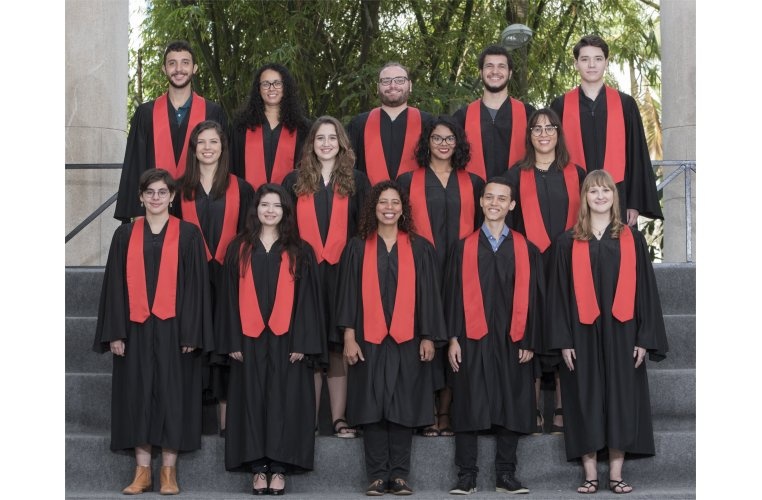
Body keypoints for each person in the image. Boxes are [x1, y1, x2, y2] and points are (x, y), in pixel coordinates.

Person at [546, 170, 668, 494]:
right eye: (593, 191)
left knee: (621, 397)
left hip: (624, 330)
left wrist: (644, 337)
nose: (600, 196)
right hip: (580, 331)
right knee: (583, 397)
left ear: (615, 196)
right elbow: (558, 295)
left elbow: (645, 291)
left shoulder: (632, 239)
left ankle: (615, 472)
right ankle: (589, 473)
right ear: (584, 197)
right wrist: (563, 340)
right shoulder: (567, 242)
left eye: (606, 191)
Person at [93, 168, 213, 495]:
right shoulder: (124, 235)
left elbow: (196, 288)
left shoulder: (188, 235)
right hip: (135, 328)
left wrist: (192, 333)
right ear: (140, 197)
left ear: (172, 197)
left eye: (162, 192)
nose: (156, 197)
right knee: (137, 394)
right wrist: (115, 332)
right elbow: (114, 286)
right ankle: (143, 471)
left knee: (174, 396)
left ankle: (169, 473)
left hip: (175, 328)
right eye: (150, 192)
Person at [337, 180, 447, 496]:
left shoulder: (420, 248)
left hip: (408, 338)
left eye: (395, 202)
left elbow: (429, 296)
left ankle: (399, 475)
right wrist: (349, 335)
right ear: (373, 207)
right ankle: (376, 475)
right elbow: (347, 294)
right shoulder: (358, 247)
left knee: (403, 404)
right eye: (383, 202)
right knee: (372, 406)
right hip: (367, 338)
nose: (389, 208)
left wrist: (428, 336)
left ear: (403, 208)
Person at [215, 183, 324, 496]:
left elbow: (309, 301)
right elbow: (227, 299)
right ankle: (257, 467)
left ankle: (279, 468)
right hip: (247, 340)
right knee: (251, 400)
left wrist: (302, 341)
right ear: (255, 209)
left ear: (285, 211)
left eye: (277, 205)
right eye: (265, 205)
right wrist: (232, 340)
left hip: (287, 341)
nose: (270, 210)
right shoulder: (238, 249)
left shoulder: (300, 251)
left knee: (284, 402)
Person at [444, 177, 543, 496]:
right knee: (468, 400)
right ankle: (466, 475)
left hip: (513, 336)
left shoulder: (526, 249)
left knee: (511, 400)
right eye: (489, 197)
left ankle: (505, 475)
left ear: (512, 205)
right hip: (471, 336)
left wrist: (529, 338)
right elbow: (452, 296)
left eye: (502, 198)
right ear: (481, 202)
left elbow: (536, 299)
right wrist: (453, 338)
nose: (495, 203)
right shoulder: (463, 248)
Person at [282, 116, 371, 438]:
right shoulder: (294, 180)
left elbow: (365, 228)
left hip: (343, 273)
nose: (326, 144)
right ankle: (309, 418)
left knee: (337, 344)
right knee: (308, 343)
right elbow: (284, 228)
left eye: (332, 138)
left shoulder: (357, 181)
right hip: (303, 274)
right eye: (320, 138)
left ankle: (338, 418)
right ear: (311, 144)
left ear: (342, 143)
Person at [397, 115, 484, 439]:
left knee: (454, 334)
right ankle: (427, 410)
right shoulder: (408, 181)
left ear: (458, 143)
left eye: (449, 139)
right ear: (427, 142)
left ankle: (447, 411)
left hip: (461, 271)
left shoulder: (474, 182)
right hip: (422, 270)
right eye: (437, 138)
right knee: (426, 335)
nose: (443, 144)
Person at [505, 108, 586, 436]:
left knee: (568, 331)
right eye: (536, 128)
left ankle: (563, 408)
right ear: (529, 135)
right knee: (533, 332)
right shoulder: (514, 175)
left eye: (549, 127)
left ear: (558, 133)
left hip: (569, 264)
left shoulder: (577, 173)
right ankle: (533, 406)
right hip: (530, 264)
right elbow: (507, 224)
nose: (543, 133)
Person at [175, 120, 255, 438]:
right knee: (190, 345)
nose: (207, 148)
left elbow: (249, 235)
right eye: (201, 142)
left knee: (225, 346)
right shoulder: (179, 190)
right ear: (193, 149)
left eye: (214, 142)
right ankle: (190, 420)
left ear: (223, 148)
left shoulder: (242, 188)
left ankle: (226, 423)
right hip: (188, 280)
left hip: (229, 278)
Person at [549, 34, 663, 226]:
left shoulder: (625, 104)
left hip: (619, 195)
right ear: (576, 64)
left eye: (598, 59)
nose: (591, 65)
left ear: (606, 62)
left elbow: (636, 155)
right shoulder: (560, 105)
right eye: (585, 59)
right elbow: (552, 155)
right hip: (573, 196)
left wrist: (634, 203)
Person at [115, 40, 227, 222]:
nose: (179, 69)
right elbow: (135, 165)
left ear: (195, 68)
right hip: (155, 208)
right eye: (172, 63)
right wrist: (136, 213)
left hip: (200, 207)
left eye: (185, 62)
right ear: (164, 69)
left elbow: (223, 163)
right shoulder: (145, 114)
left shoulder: (212, 112)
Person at [452, 45, 536, 182]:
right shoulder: (462, 117)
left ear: (510, 73)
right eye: (489, 66)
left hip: (519, 190)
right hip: (473, 191)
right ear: (481, 72)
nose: (495, 71)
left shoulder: (528, 114)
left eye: (501, 66)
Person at [346, 62, 433, 185]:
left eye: (399, 80)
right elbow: (347, 167)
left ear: (410, 85)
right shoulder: (359, 124)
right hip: (368, 195)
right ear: (378, 87)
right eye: (386, 81)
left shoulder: (428, 123)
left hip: (418, 194)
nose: (393, 85)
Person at [230, 63, 311, 190]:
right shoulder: (242, 127)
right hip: (249, 199)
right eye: (265, 84)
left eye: (277, 83)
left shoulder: (302, 128)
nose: (271, 88)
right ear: (258, 89)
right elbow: (233, 168)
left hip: (290, 199)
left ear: (285, 87)